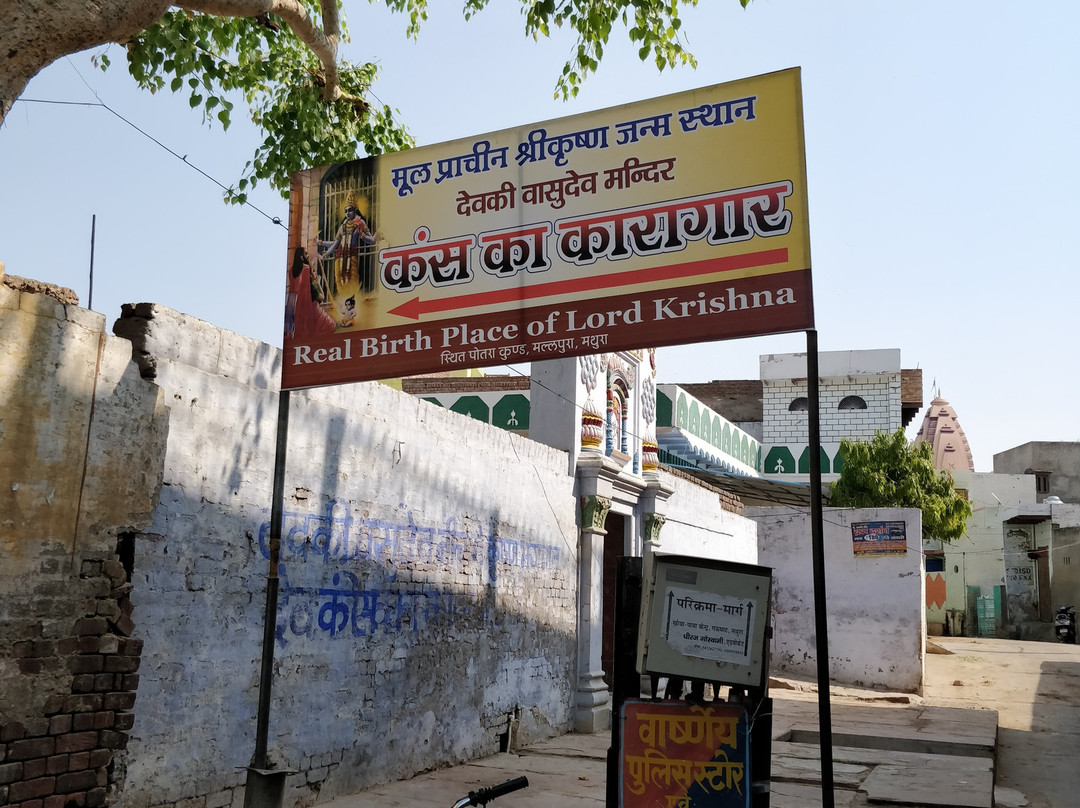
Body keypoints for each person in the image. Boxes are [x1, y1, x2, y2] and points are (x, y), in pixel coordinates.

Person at [320, 191, 375, 290]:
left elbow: (371, 240)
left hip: (352, 256)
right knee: (340, 282)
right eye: (346, 211)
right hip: (340, 256)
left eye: (350, 210)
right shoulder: (343, 226)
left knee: (353, 280)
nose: (347, 213)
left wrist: (364, 237)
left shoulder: (360, 223)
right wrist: (325, 251)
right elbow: (336, 243)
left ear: (355, 211)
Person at [286, 245, 337, 338]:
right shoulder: (306, 270)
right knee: (330, 324)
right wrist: (317, 281)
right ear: (301, 257)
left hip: (295, 307)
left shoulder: (291, 272)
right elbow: (321, 297)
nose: (308, 255)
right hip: (310, 307)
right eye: (306, 254)